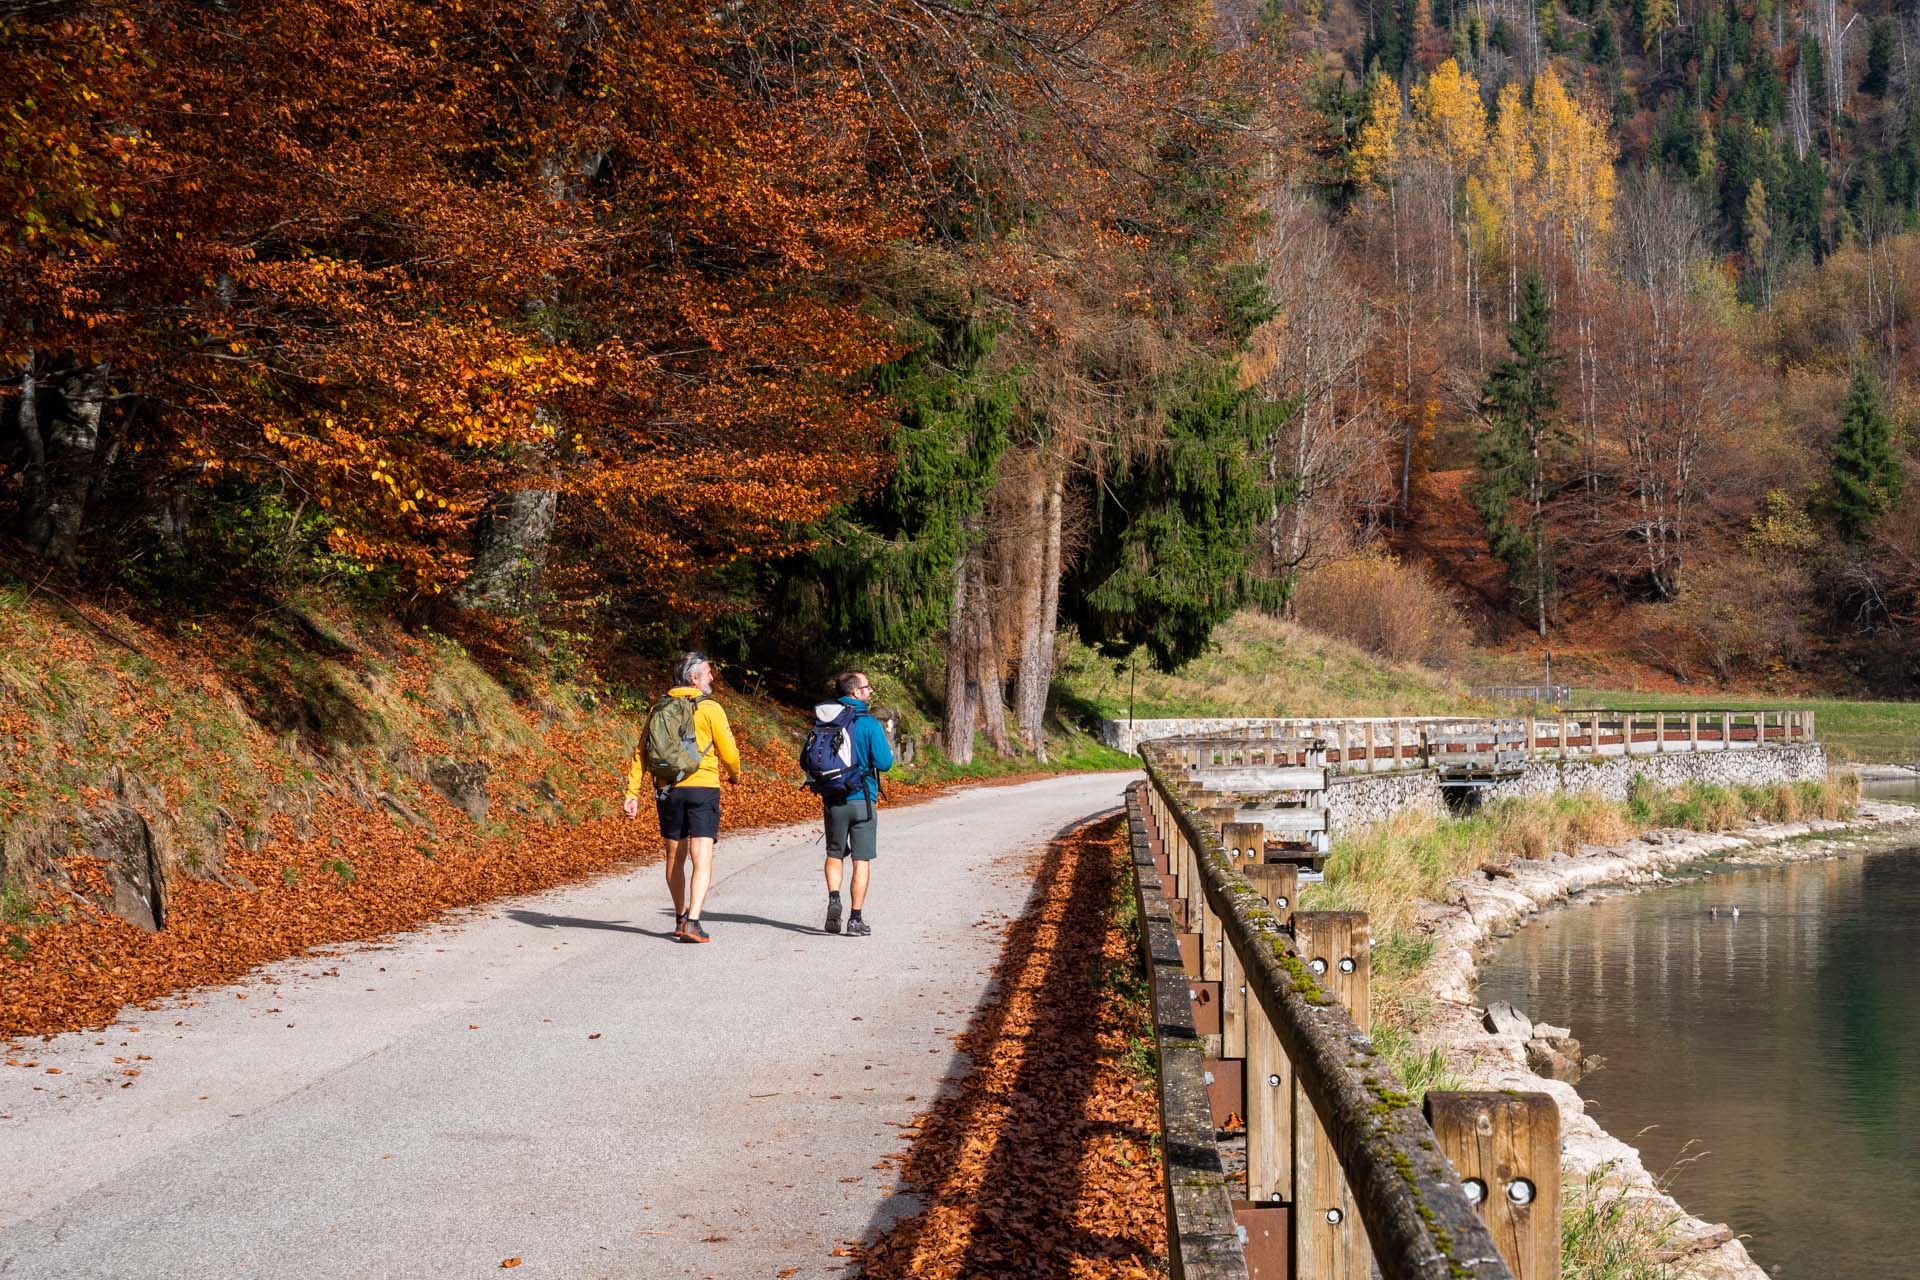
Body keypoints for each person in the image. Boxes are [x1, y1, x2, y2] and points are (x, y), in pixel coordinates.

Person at [624, 652, 741, 943]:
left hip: (667, 789)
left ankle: (679, 916)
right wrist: (735, 774)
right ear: (694, 678)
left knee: (675, 857)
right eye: (708, 673)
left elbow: (642, 751)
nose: (712, 678)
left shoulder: (659, 708)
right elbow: (728, 751)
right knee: (702, 856)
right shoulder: (711, 708)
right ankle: (693, 921)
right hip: (702, 787)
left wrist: (632, 792)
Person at [816, 671, 893, 937]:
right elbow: (885, 763)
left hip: (834, 798)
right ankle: (855, 919)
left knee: (834, 853)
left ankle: (834, 898)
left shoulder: (826, 719)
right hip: (862, 800)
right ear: (855, 693)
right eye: (867, 687)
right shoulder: (869, 724)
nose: (870, 691)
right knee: (861, 859)